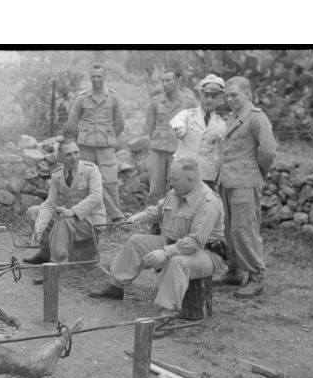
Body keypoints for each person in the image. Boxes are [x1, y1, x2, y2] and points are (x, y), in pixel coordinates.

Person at [89, 157, 225, 317]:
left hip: (204, 253)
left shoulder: (208, 203)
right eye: (170, 178)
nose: (171, 183)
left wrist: (165, 253)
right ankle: (116, 286)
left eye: (175, 179)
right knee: (136, 242)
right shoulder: (176, 192)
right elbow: (158, 210)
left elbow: (195, 242)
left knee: (178, 262)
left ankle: (167, 311)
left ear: (190, 179)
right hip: (172, 244)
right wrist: (139, 217)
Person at [215, 76, 277, 298]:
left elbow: (268, 151)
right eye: (227, 95)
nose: (230, 99)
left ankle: (255, 276)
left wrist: (258, 172)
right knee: (228, 229)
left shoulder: (256, 118)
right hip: (227, 181)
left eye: (234, 95)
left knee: (244, 229)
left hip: (245, 182)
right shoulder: (233, 117)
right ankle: (233, 270)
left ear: (248, 94)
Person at [23, 139, 107, 264]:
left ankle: (54, 263)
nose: (74, 157)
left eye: (76, 152)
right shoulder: (57, 175)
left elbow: (96, 197)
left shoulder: (91, 170)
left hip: (92, 220)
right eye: (69, 154)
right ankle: (45, 254)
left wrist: (72, 212)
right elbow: (49, 204)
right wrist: (40, 226)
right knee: (34, 212)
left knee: (63, 220)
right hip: (71, 218)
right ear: (60, 157)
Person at [64, 63, 125, 222]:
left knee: (109, 181)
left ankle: (115, 216)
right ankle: (84, 215)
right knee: (84, 180)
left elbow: (119, 122)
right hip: (86, 147)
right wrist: (83, 136)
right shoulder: (82, 97)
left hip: (106, 147)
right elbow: (71, 122)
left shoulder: (112, 97)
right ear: (90, 78)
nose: (96, 80)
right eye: (93, 77)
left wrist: (109, 136)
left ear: (104, 77)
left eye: (99, 76)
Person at [146, 70, 198, 208]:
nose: (164, 84)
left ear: (177, 81)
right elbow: (150, 127)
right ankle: (155, 223)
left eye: (168, 80)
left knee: (178, 187)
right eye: (162, 81)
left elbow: (195, 128)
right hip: (157, 150)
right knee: (155, 189)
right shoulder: (156, 102)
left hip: (179, 150)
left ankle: (174, 221)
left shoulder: (189, 103)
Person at [170, 74, 226, 190]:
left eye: (214, 96)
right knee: (179, 205)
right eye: (206, 95)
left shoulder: (222, 125)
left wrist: (219, 177)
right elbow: (177, 120)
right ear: (200, 96)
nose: (209, 100)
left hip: (206, 176)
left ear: (220, 100)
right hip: (183, 174)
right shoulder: (188, 114)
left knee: (204, 206)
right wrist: (180, 129)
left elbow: (222, 154)